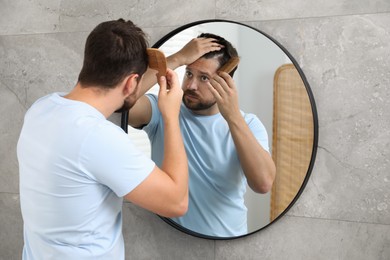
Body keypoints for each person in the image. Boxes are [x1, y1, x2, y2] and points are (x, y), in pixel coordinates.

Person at [17, 19, 189, 259]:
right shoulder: (97, 137)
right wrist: (171, 116)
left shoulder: (41, 109)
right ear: (131, 82)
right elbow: (177, 202)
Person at [128, 33, 276, 237]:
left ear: (225, 81)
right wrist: (177, 58)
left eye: (204, 78)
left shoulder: (248, 124)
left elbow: (263, 183)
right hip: (164, 241)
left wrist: (232, 116)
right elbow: (123, 100)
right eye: (189, 73)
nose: (191, 86)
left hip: (227, 243)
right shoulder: (164, 108)